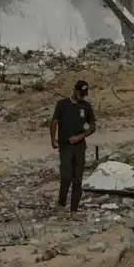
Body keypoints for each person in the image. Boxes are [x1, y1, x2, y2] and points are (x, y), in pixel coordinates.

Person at [50, 80, 96, 219]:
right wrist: (53, 138)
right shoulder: (62, 104)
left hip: (79, 146)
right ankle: (61, 205)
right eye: (81, 93)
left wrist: (81, 136)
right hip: (65, 146)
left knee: (77, 179)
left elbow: (92, 126)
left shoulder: (86, 106)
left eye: (84, 94)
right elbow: (54, 121)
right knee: (66, 177)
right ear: (75, 91)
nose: (82, 96)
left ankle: (74, 211)